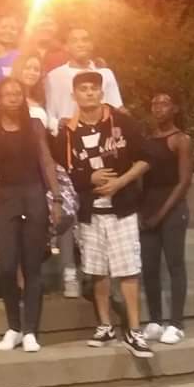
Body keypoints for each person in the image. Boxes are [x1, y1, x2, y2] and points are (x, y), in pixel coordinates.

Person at [54, 71, 152, 357]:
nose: (89, 93)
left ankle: (134, 330)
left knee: (128, 269)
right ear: (74, 95)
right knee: (97, 271)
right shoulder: (67, 132)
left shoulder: (122, 122)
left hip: (122, 209)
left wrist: (121, 182)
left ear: (101, 92)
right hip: (90, 212)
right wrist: (89, 178)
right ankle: (105, 326)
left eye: (93, 88)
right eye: (83, 89)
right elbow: (63, 174)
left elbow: (146, 159)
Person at [0, 77, 62, 353]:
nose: (14, 98)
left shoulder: (35, 125)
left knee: (32, 267)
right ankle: (13, 327)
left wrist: (56, 197)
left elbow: (46, 160)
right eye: (8, 94)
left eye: (18, 93)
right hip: (5, 198)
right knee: (6, 266)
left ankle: (30, 331)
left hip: (33, 195)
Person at [11, 52, 79, 298]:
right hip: (20, 168)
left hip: (47, 164)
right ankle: (26, 281)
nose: (32, 72)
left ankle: (69, 273)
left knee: (66, 212)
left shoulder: (42, 100)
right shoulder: (10, 98)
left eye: (36, 69)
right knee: (24, 222)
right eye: (27, 67)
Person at [140, 92, 193, 345]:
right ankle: (155, 321)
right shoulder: (147, 141)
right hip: (148, 209)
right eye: (154, 104)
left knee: (175, 265)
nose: (158, 108)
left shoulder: (181, 140)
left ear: (174, 109)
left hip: (172, 209)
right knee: (149, 267)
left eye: (164, 103)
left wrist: (161, 213)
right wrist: (142, 211)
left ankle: (176, 324)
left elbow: (184, 182)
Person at [45, 27, 123, 125]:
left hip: (103, 131)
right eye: (74, 41)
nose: (80, 45)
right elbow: (50, 114)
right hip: (67, 133)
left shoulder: (106, 74)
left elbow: (117, 108)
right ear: (66, 47)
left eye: (85, 40)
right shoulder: (54, 77)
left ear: (91, 45)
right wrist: (62, 127)